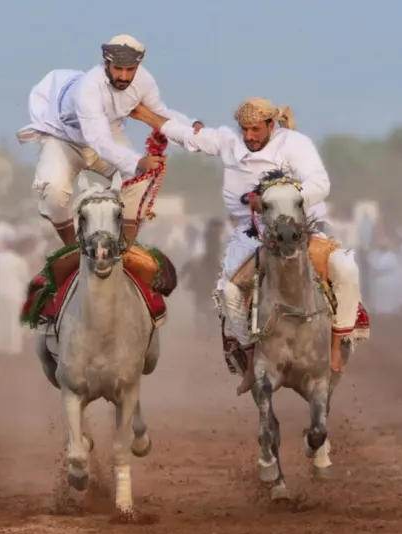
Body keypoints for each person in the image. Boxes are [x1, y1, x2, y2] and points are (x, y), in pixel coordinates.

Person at [129, 98, 366, 394]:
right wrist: (146, 116)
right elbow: (189, 135)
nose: (250, 136)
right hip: (253, 234)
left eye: (255, 129)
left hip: (304, 229)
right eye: (245, 130)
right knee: (229, 291)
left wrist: (273, 199)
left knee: (345, 267)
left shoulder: (294, 143)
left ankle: (337, 343)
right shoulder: (229, 142)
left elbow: (320, 184)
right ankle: (251, 361)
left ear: (270, 125)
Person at [17, 34, 203, 246]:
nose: (124, 76)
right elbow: (98, 140)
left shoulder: (144, 81)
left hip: (109, 134)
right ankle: (71, 249)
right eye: (118, 69)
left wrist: (192, 127)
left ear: (138, 66)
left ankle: (126, 249)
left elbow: (159, 113)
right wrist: (136, 162)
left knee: (140, 180)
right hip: (64, 140)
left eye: (130, 70)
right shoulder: (89, 87)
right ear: (106, 63)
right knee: (53, 190)